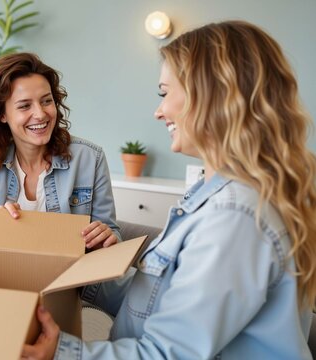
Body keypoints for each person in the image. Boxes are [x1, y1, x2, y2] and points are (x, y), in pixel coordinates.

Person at [22, 21, 316, 359]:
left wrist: (61, 352)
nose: (159, 111)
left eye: (164, 93)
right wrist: (87, 267)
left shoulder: (235, 216)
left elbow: (169, 354)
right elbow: (154, 304)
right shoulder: (211, 196)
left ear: (212, 94)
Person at [0, 52, 120, 249]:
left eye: (46, 101)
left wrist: (107, 237)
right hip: (11, 274)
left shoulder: (90, 158)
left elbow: (112, 234)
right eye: (24, 106)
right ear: (2, 115)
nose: (40, 114)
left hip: (74, 278)